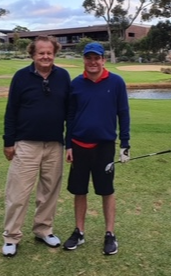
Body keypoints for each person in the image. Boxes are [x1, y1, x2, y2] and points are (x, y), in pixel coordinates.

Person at [2, 35, 71, 257]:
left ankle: (43, 229)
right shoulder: (21, 77)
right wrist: (8, 142)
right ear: (33, 54)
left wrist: (69, 143)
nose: (45, 56)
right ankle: (11, 236)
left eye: (49, 52)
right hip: (26, 144)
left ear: (54, 53)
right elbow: (11, 110)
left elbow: (70, 113)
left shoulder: (63, 76)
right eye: (41, 52)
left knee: (49, 191)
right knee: (18, 192)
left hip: (54, 144)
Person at [62, 42, 131, 255]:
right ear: (83, 59)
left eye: (96, 58)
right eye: (88, 58)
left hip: (104, 147)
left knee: (106, 190)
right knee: (79, 190)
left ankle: (110, 234)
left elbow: (124, 114)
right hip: (80, 146)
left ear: (103, 60)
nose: (92, 62)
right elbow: (70, 117)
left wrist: (125, 144)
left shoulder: (116, 82)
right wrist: (68, 144)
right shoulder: (76, 84)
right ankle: (79, 232)